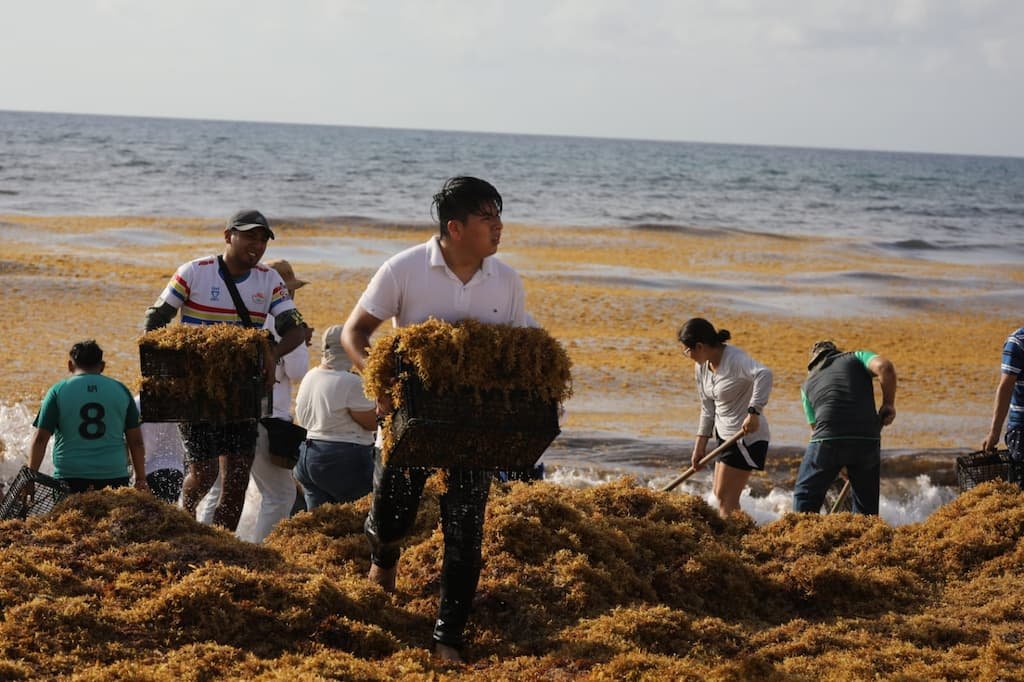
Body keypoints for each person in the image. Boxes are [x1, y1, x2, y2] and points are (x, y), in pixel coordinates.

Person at [341, 176, 527, 663]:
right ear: (456, 227)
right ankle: (384, 556)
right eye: (488, 218)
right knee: (391, 514)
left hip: (471, 426)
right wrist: (378, 382)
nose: (499, 227)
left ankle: (448, 636)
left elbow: (519, 354)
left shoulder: (506, 281)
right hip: (410, 418)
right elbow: (354, 332)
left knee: (466, 529)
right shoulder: (403, 269)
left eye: (499, 217)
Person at [143, 209, 308, 531]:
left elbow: (297, 328)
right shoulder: (195, 272)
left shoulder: (269, 279)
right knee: (204, 472)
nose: (257, 245)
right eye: (249, 236)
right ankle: (185, 515)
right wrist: (170, 366)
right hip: (198, 389)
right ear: (228, 236)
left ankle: (222, 544)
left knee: (237, 477)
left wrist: (273, 353)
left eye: (263, 239)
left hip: (243, 390)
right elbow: (155, 319)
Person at [678, 318, 772, 518]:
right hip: (724, 437)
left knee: (725, 498)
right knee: (720, 495)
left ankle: (736, 542)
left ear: (700, 346)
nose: (686, 355)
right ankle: (738, 537)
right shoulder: (702, 367)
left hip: (745, 437)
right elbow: (707, 408)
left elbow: (764, 374)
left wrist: (754, 412)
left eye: (687, 350)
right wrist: (699, 447)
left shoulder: (735, 360)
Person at [29, 340, 148, 493]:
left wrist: (31, 477)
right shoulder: (121, 391)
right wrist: (140, 479)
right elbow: (136, 441)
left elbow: (40, 439)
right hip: (114, 477)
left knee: (69, 517)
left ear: (70, 365)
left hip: (70, 477)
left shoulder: (58, 391)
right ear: (102, 366)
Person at [793, 341, 897, 515]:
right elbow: (885, 367)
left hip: (827, 439)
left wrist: (839, 464)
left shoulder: (807, 384)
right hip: (867, 439)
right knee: (866, 511)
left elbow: (815, 430)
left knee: (804, 497)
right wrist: (888, 404)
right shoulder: (856, 357)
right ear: (836, 353)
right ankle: (866, 539)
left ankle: (801, 535)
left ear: (813, 363)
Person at [293, 324, 377, 510]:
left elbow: (302, 416)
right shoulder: (351, 381)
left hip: (307, 456)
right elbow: (371, 423)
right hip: (342, 458)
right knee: (362, 514)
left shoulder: (310, 376)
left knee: (320, 522)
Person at [982, 327, 1024, 486]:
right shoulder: (1018, 342)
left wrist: (994, 433)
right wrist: (995, 431)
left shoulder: (1017, 341)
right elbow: (1006, 388)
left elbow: (1006, 386)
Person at [134, 395, 185, 504]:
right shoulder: (177, 399)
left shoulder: (141, 403)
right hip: (176, 469)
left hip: (150, 472)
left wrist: (137, 476)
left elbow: (145, 447)